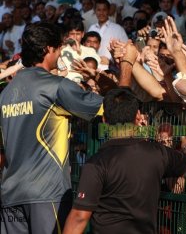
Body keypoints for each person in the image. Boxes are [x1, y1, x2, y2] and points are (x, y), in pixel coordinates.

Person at [0, 21, 132, 234]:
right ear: (48, 49)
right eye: (59, 47)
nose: (62, 53)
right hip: (47, 195)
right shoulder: (56, 86)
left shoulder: (5, 93)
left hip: (9, 195)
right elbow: (117, 108)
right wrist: (126, 65)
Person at [63, 26, 186, 234]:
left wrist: (128, 62)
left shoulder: (96, 163)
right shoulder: (157, 153)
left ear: (105, 120)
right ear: (138, 117)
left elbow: (79, 217)